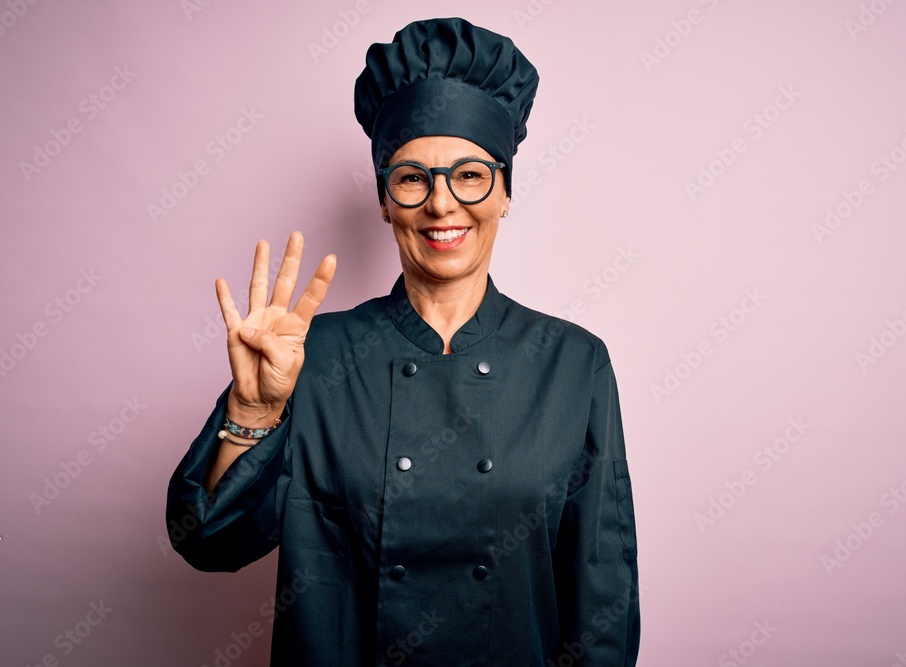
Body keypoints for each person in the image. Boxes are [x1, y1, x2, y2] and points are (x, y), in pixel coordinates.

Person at [167, 16, 639, 666]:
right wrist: (253, 410)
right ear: (386, 200)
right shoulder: (312, 357)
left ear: (504, 192)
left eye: (470, 174)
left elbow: (602, 596)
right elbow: (209, 542)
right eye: (413, 177)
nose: (441, 204)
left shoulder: (573, 364)